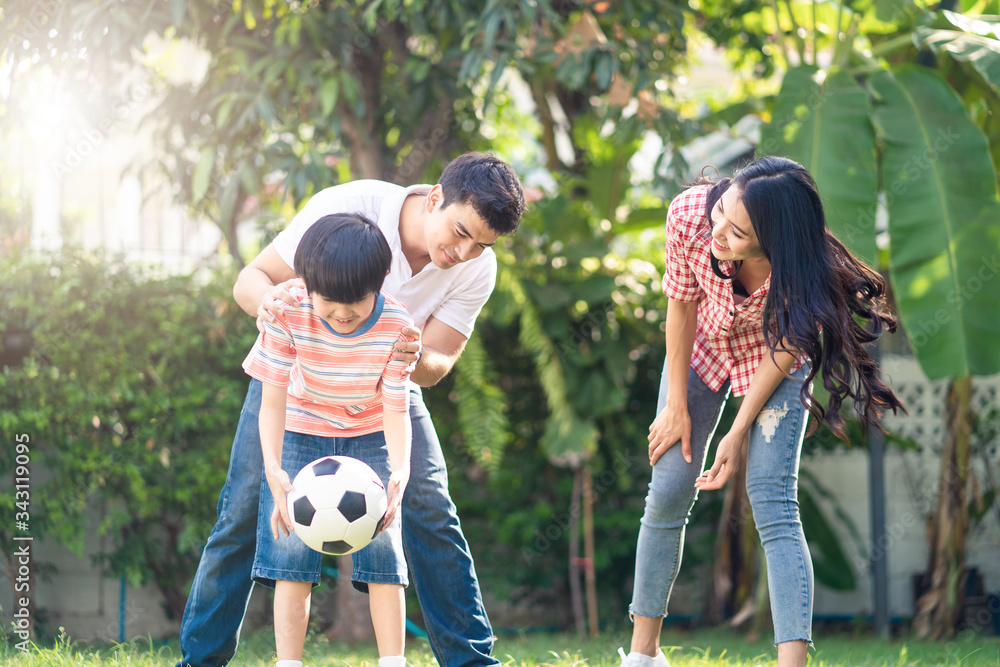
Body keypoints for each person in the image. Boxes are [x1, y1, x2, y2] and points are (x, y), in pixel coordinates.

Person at [178, 152, 525, 667]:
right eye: (459, 232)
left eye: (481, 244)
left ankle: (472, 660)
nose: (464, 251)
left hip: (386, 389)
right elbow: (251, 279)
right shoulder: (345, 207)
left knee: (430, 505)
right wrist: (272, 306)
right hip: (294, 387)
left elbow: (439, 361)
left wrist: (413, 356)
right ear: (434, 197)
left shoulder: (476, 268)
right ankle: (200, 660)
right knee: (241, 507)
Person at [618, 156, 904, 667]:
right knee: (667, 490)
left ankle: (792, 663)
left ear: (773, 240)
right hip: (703, 343)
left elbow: (787, 349)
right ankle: (642, 656)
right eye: (723, 210)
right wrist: (677, 405)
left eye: (739, 232)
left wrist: (736, 431)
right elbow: (680, 306)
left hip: (772, 356)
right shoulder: (689, 216)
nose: (719, 232)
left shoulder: (802, 270)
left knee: (773, 501)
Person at [245, 213, 413, 667]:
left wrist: (400, 469)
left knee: (383, 549)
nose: (341, 313)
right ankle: (289, 662)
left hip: (369, 434)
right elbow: (273, 401)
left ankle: (393, 661)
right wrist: (274, 466)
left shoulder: (398, 326)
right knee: (290, 550)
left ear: (379, 282)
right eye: (328, 301)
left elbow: (397, 407)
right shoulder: (287, 310)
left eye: (355, 302)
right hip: (301, 428)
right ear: (306, 284)